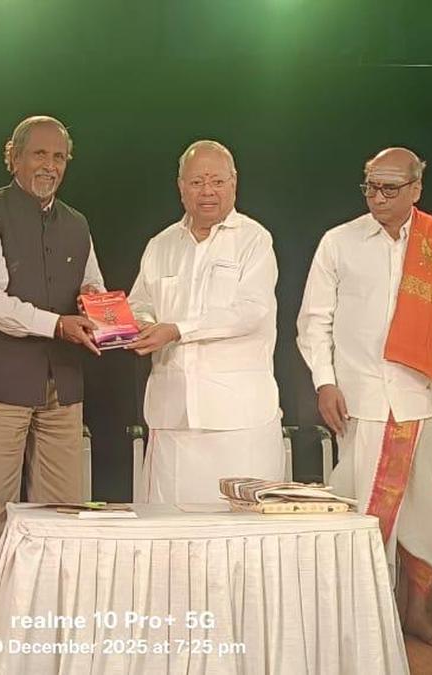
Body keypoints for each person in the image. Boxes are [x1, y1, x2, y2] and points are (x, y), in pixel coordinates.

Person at [297, 147, 432, 647]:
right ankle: (356, 620)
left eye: (390, 188)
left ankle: (414, 612)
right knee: (359, 508)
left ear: (416, 189)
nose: (377, 197)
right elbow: (314, 321)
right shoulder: (339, 242)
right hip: (361, 401)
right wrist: (324, 382)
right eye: (370, 187)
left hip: (417, 399)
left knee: (424, 512)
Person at [0, 115, 105, 635]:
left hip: (62, 384)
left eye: (59, 157)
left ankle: (52, 627)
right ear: (12, 157)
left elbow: (91, 286)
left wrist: (105, 313)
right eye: (39, 154)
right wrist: (56, 324)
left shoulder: (77, 222)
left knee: (64, 512)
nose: (49, 166)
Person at [125, 139, 283, 502]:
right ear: (181, 187)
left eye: (217, 181)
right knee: (170, 526)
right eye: (196, 182)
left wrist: (177, 330)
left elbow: (251, 311)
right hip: (173, 414)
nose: (207, 191)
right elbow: (140, 304)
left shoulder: (254, 239)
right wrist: (141, 324)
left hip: (238, 417)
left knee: (242, 528)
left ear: (234, 183)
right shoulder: (161, 244)